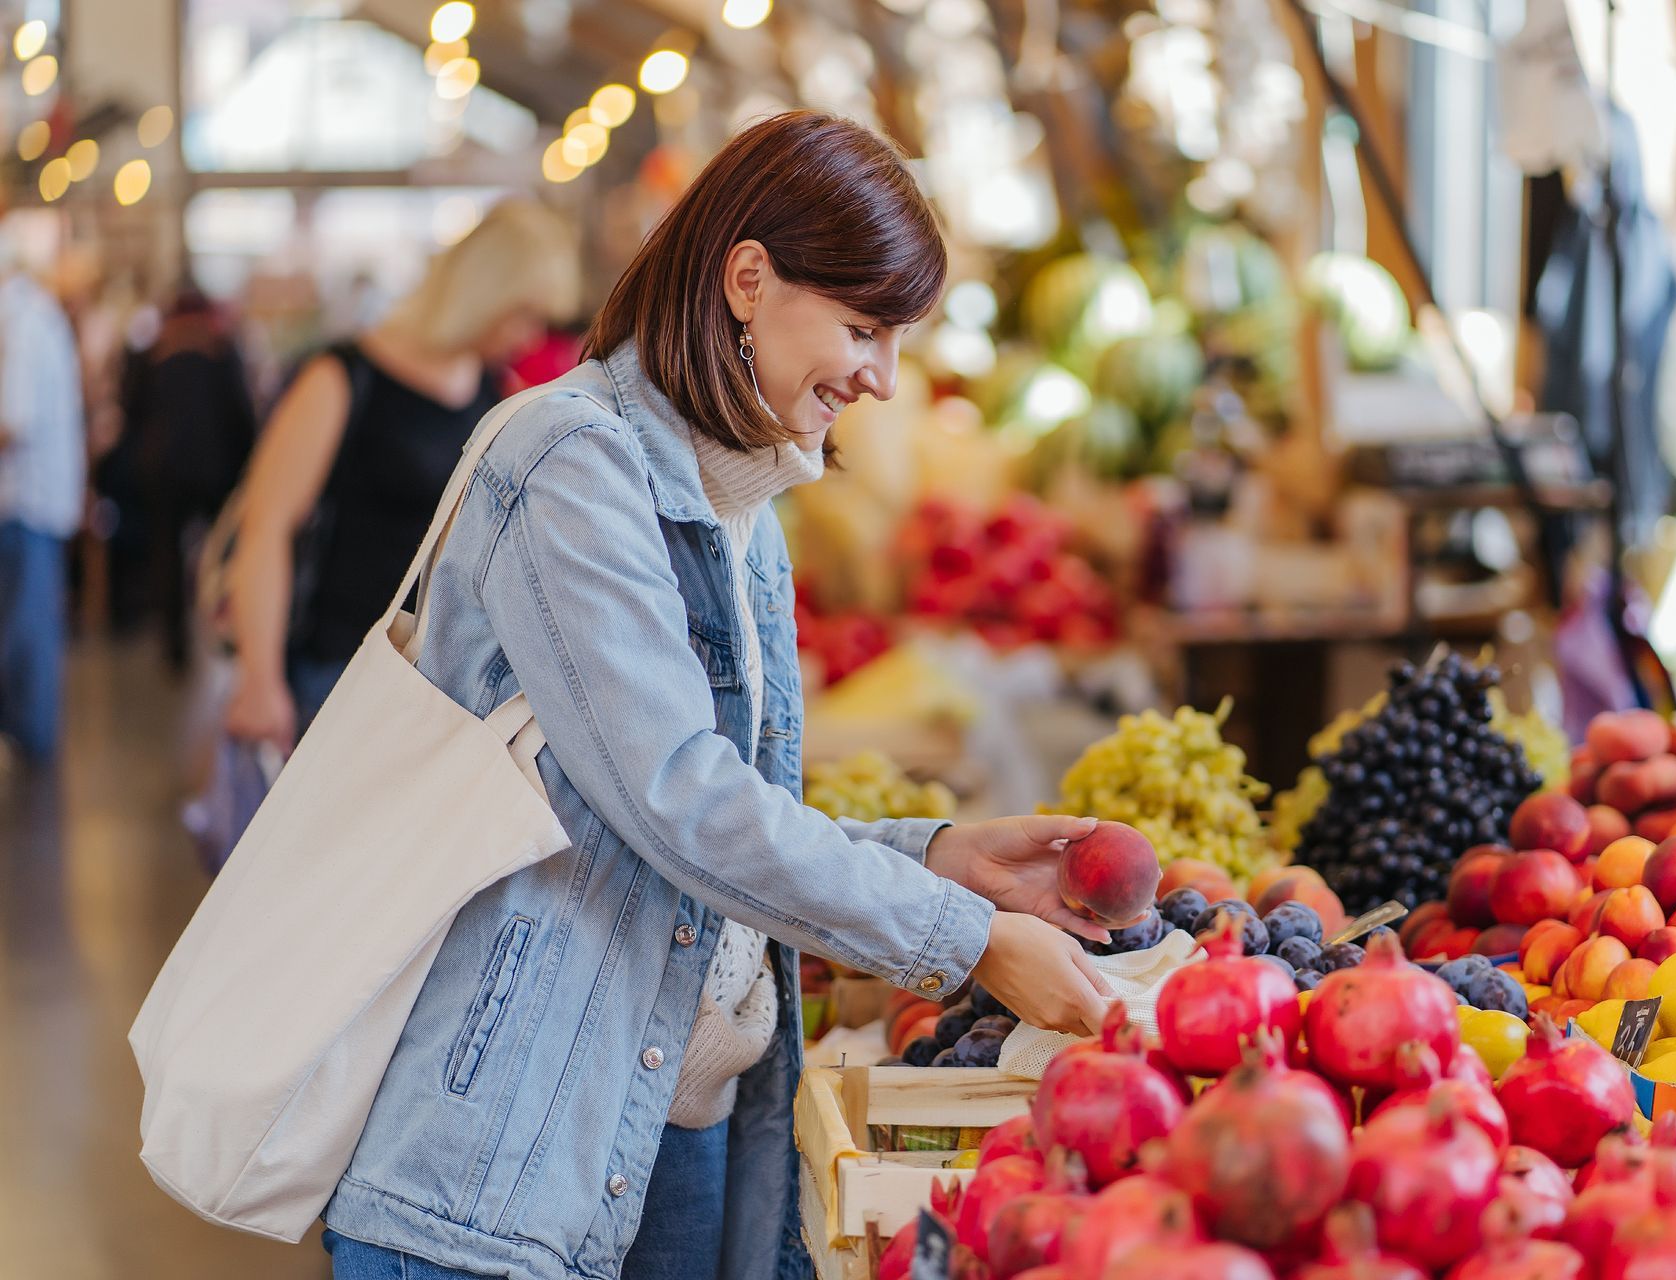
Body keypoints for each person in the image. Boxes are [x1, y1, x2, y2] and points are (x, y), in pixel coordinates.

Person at [318, 112, 1114, 1280]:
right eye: (861, 327)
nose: (884, 378)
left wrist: (938, 857)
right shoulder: (571, 466)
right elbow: (676, 798)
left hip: (669, 1125)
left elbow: (699, 816)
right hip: (504, 1161)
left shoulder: (740, 503)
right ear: (748, 278)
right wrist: (963, 939)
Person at [222, 199, 582, 752]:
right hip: (340, 671)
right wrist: (260, 678)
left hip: (438, 688)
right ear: (486, 294)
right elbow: (266, 526)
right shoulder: (344, 375)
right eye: (523, 314)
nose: (530, 335)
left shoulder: (488, 387)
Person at [115, 287, 258, 670]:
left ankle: (174, 648)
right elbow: (241, 414)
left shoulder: (152, 353)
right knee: (226, 553)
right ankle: (228, 630)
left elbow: (130, 412)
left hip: (163, 468)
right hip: (216, 470)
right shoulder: (221, 350)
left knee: (167, 554)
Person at [0, 232, 86, 765]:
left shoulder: (20, 323)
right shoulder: (34, 313)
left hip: (25, 502)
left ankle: (30, 739)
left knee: (27, 627)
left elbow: (12, 422)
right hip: (37, 501)